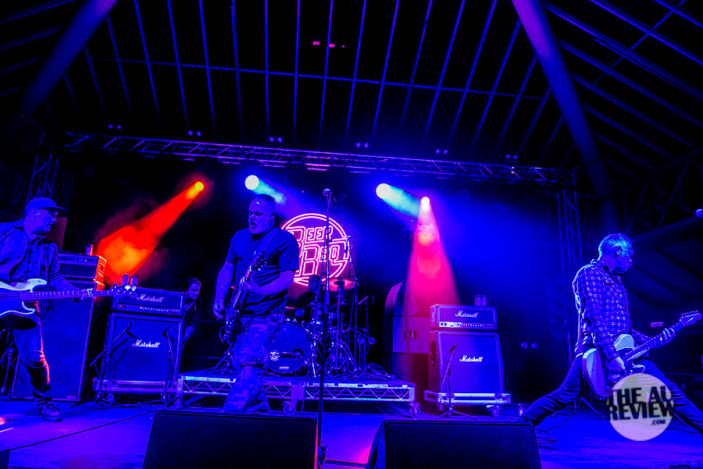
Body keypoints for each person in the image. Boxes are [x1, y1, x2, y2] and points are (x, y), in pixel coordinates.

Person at [524, 233, 703, 434]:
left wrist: (654, 340)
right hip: (597, 352)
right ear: (618, 251)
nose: (631, 261)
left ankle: (519, 427)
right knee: (564, 396)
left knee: (671, 393)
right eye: (630, 256)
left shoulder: (616, 280)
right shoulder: (590, 273)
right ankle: (518, 428)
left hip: (620, 353)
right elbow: (594, 318)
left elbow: (625, 329)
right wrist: (611, 355)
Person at [0, 197, 93, 422]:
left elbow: (54, 277)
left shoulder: (49, 248)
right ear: (33, 213)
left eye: (55, 216)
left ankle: (45, 402)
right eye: (50, 214)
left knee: (34, 358)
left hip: (25, 308)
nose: (54, 220)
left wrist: (76, 291)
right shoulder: (4, 231)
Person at [212, 194, 299, 413]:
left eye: (258, 214)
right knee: (241, 365)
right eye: (250, 213)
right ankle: (260, 410)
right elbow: (228, 268)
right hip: (239, 312)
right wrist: (219, 297)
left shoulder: (284, 240)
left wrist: (260, 291)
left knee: (249, 361)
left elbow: (287, 278)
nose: (253, 218)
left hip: (267, 313)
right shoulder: (239, 237)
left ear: (271, 216)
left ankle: (228, 416)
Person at [181, 277, 201, 348]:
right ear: (186, 289)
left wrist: (184, 338)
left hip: (182, 333)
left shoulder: (197, 303)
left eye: (198, 291)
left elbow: (193, 322)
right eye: (193, 290)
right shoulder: (178, 297)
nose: (196, 293)